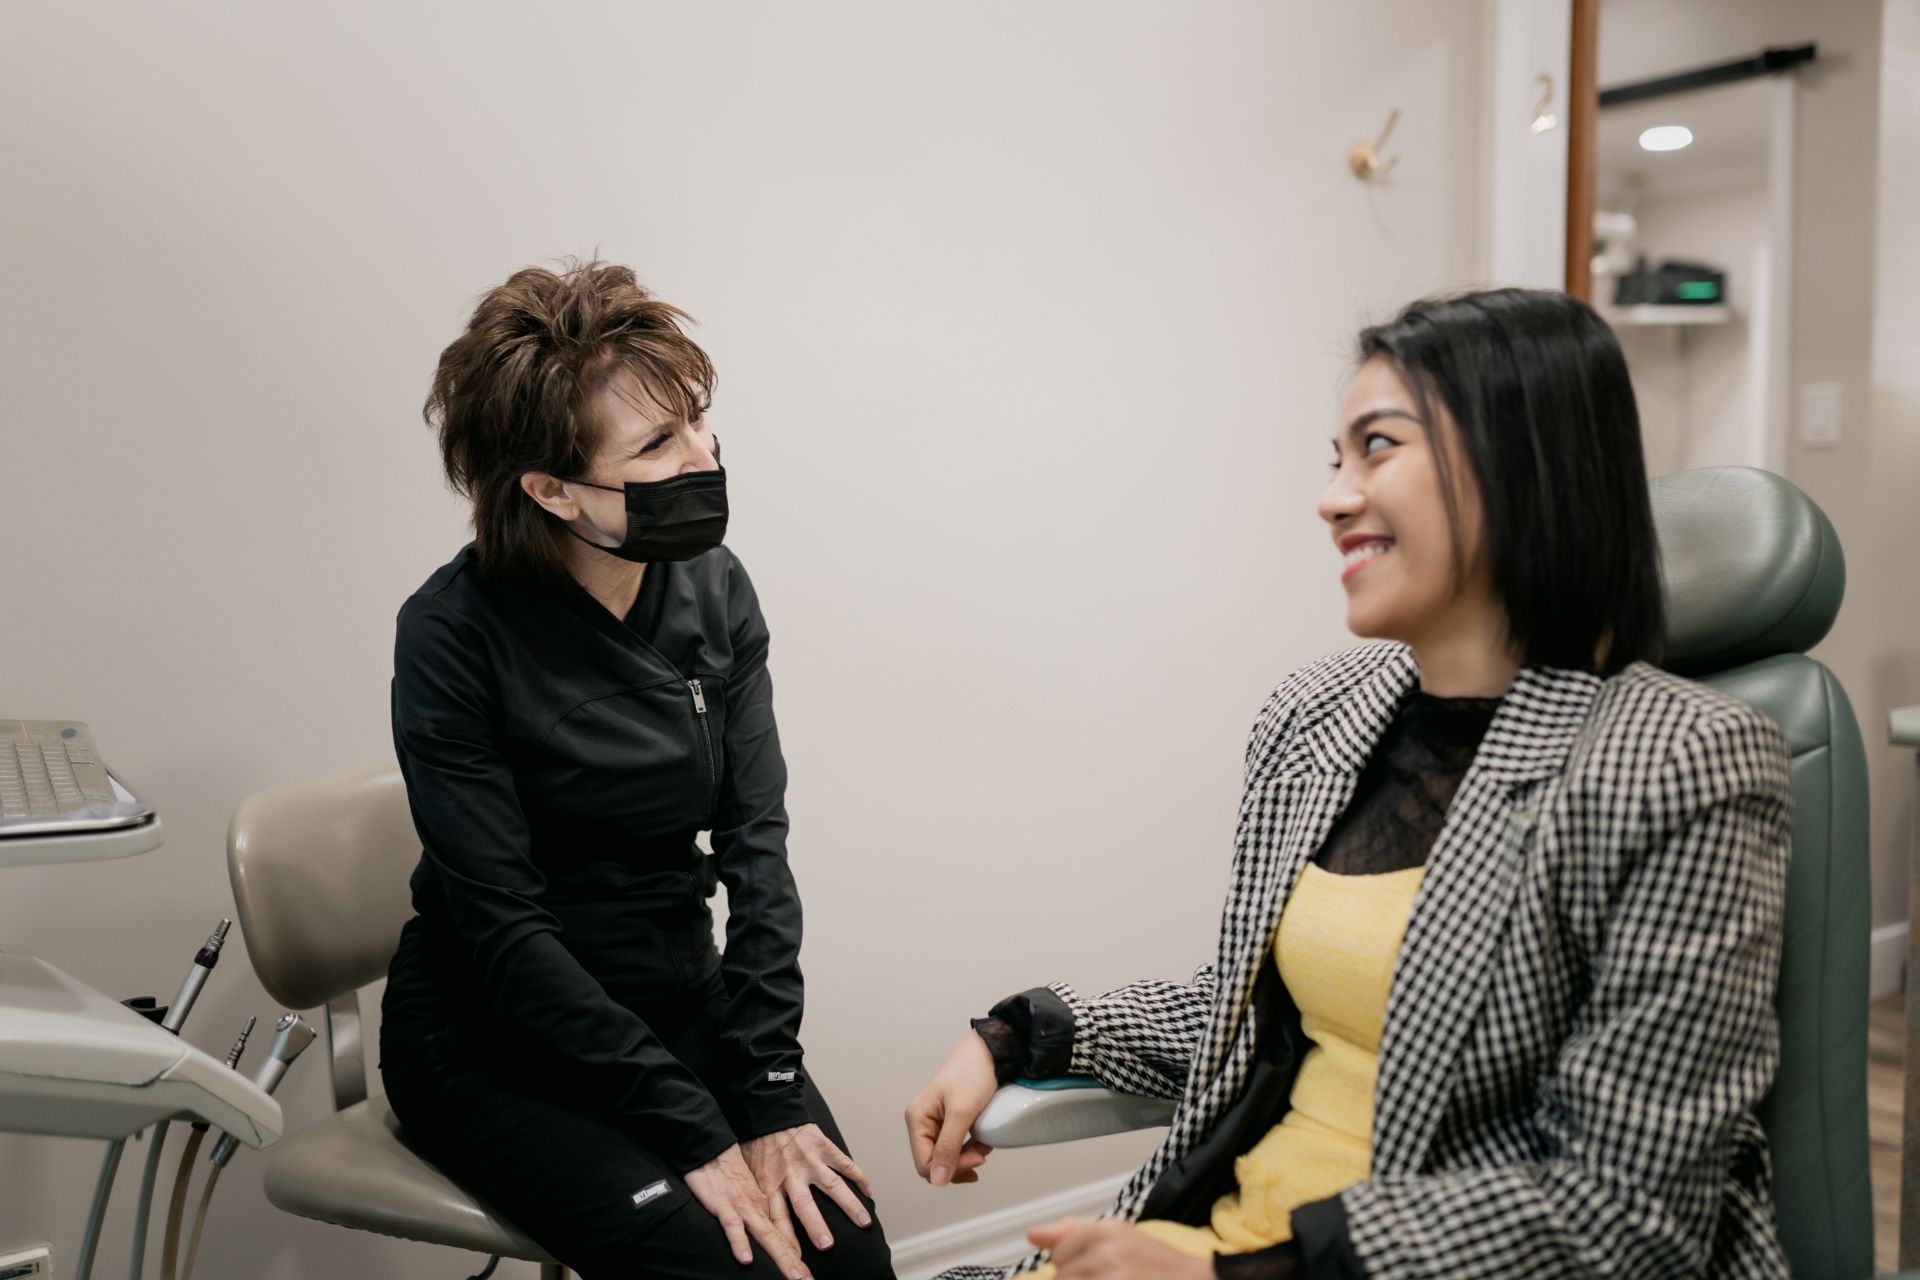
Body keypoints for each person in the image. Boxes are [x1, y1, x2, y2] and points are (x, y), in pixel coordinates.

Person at [907, 288, 1792, 1279]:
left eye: (1378, 447)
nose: (1334, 497)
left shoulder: (1685, 761)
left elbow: (1623, 1210)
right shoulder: (1314, 714)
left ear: (1522, 461)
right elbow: (1250, 1013)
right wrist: (1016, 1034)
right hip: (1213, 1239)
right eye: (1336, 458)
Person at [380, 260, 894, 1280]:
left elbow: (758, 848)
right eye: (658, 443)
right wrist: (694, 1128)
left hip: (677, 994)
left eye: (698, 421)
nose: (704, 456)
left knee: (848, 1260)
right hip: (496, 1038)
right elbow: (504, 927)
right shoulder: (452, 636)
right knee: (729, 1266)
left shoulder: (713, 585)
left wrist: (770, 1086)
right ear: (549, 488)